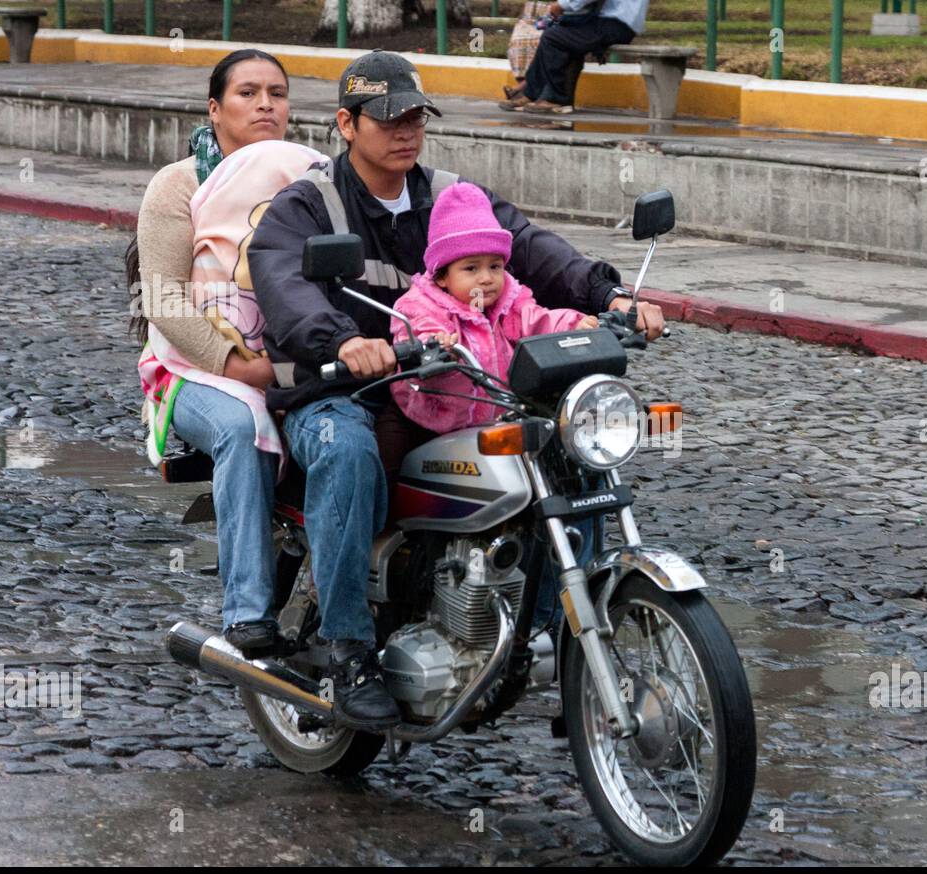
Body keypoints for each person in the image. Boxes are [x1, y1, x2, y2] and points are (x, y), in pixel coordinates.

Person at [248, 50, 664, 732]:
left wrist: (607, 297)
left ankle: (557, 639)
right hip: (344, 391)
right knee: (347, 455)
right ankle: (348, 647)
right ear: (347, 125)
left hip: (455, 387)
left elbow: (527, 247)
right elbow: (283, 283)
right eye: (388, 119)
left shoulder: (450, 195)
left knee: (563, 451)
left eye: (415, 116)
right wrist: (341, 340)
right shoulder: (306, 207)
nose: (405, 131)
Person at [133, 49, 302, 658]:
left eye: (277, 94)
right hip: (189, 370)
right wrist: (237, 366)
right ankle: (248, 612)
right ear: (215, 108)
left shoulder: (310, 179)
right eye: (248, 93)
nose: (265, 105)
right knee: (243, 426)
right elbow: (163, 298)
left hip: (291, 359)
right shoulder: (179, 184)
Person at [387, 181, 597, 434]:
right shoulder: (419, 305)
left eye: (495, 266)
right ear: (441, 276)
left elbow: (538, 320)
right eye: (471, 268)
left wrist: (573, 324)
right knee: (389, 453)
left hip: (504, 418)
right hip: (435, 422)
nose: (486, 278)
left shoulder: (509, 300)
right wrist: (435, 346)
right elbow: (420, 334)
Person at [501, 0, 648, 114]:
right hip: (616, 24)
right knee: (561, 36)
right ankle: (532, 93)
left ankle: (554, 98)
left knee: (553, 38)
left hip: (615, 25)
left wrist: (561, 5)